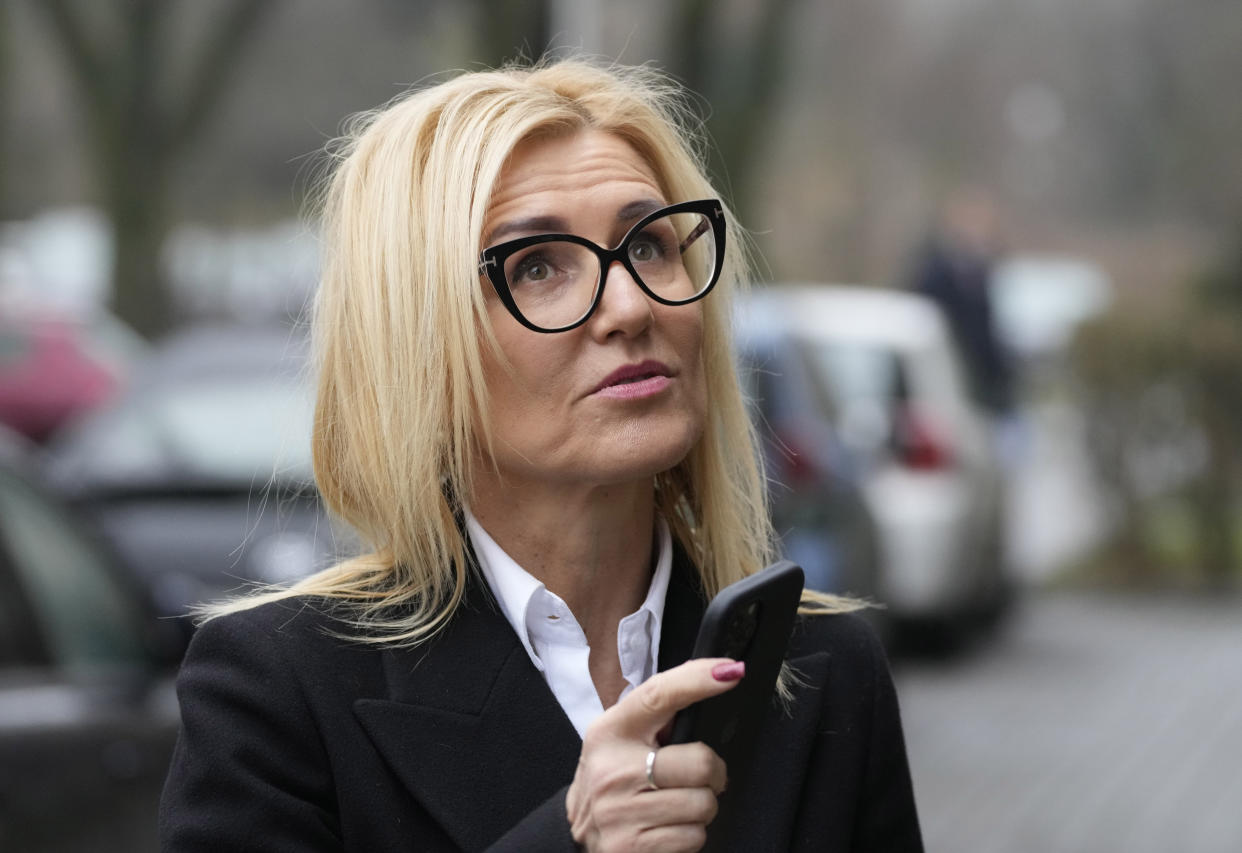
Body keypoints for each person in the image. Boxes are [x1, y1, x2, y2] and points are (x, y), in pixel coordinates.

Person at [159, 58, 923, 852]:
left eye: (651, 245)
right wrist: (569, 838)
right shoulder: (279, 691)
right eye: (536, 266)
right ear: (418, 350)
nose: (630, 305)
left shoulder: (823, 669)